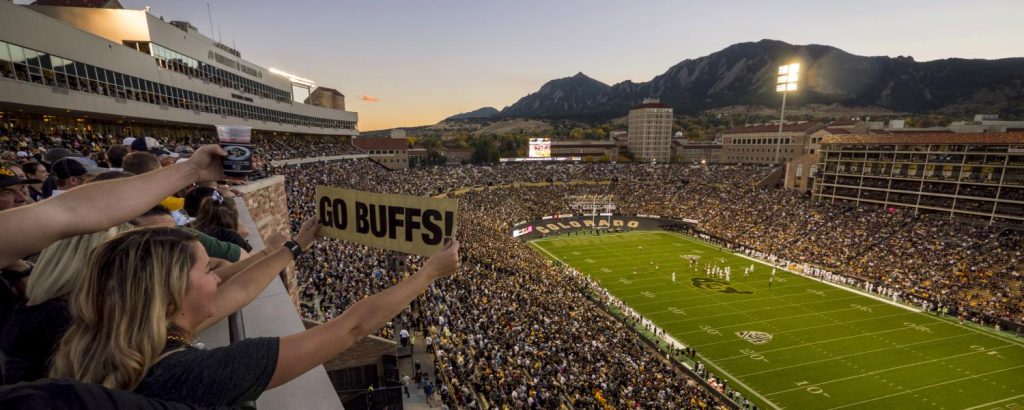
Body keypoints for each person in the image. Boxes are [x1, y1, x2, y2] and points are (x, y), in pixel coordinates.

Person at [50, 227, 460, 407]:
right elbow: (351, 327)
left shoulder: (130, 343)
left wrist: (295, 247)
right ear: (172, 295)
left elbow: (242, 289)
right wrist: (427, 273)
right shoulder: (190, 375)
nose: (216, 271)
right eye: (204, 268)